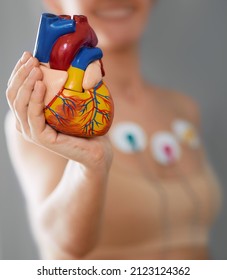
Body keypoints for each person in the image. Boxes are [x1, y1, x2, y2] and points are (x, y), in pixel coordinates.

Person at [5, 0, 222, 260]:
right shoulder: (39, 116)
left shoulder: (185, 109)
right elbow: (63, 247)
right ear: (54, 2)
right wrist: (92, 164)